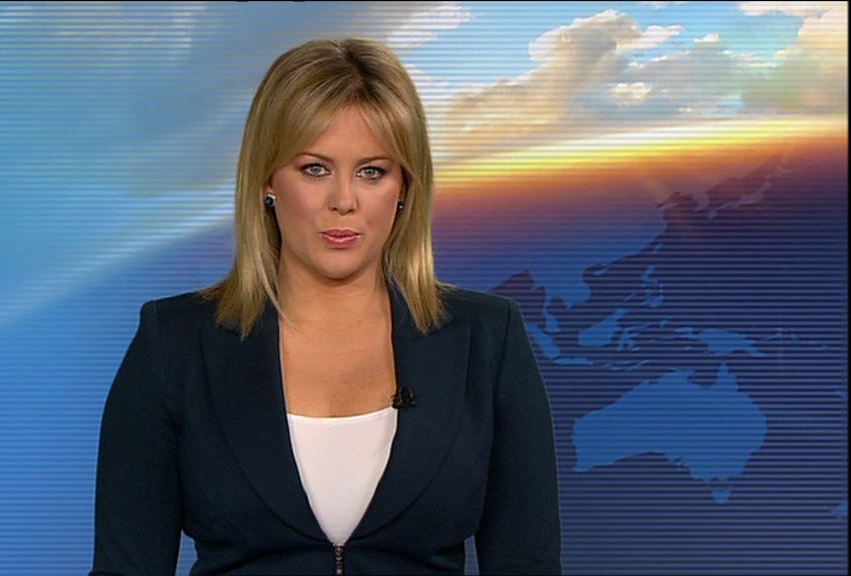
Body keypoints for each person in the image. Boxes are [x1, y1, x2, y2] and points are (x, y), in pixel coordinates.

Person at [90, 37, 561, 575]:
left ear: (405, 187)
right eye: (315, 169)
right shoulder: (174, 343)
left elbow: (529, 565)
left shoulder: (488, 339)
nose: (344, 200)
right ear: (267, 180)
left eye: (372, 171)